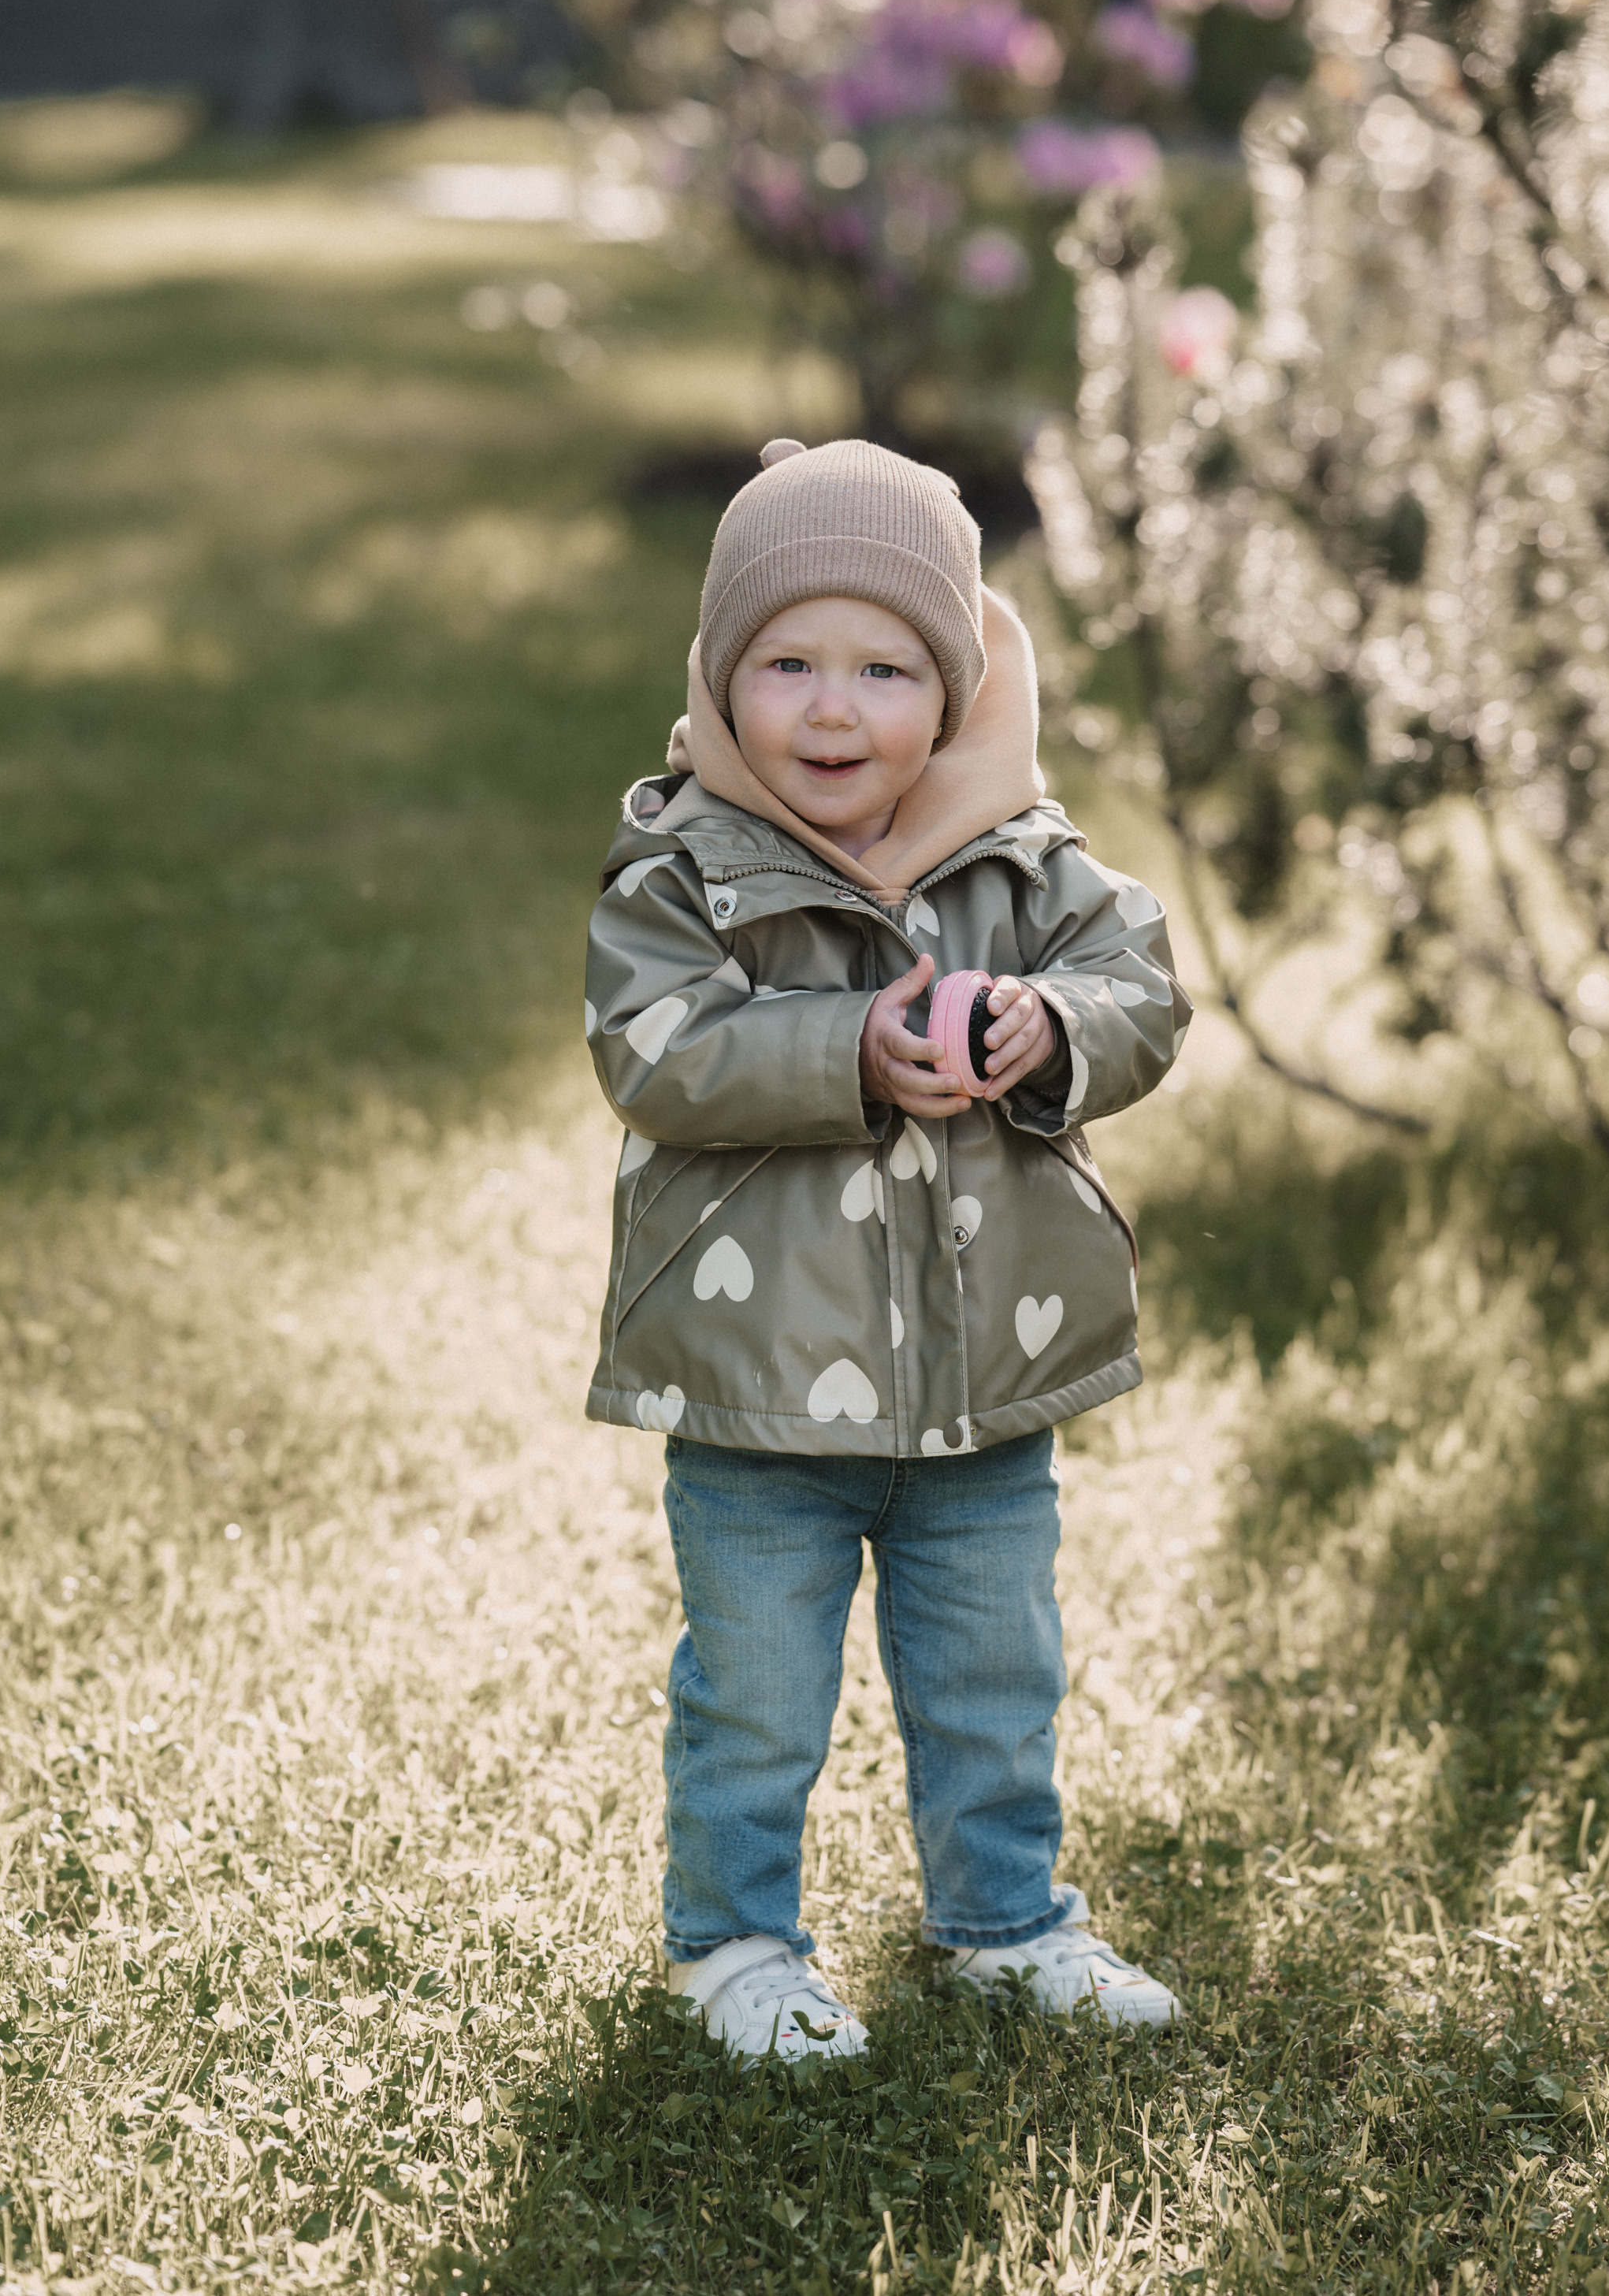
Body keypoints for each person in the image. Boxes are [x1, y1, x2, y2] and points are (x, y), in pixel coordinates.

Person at [583, 435, 1192, 2062]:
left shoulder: (1024, 859)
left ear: (957, 685)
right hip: (760, 1393)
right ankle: (732, 1945)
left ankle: (1006, 1922)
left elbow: (1141, 990)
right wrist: (847, 1046)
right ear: (722, 676)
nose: (833, 711)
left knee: (997, 1677)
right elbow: (652, 1048)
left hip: (982, 1387)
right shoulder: (686, 869)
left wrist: (1048, 1023)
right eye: (787, 663)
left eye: (885, 669)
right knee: (755, 1693)